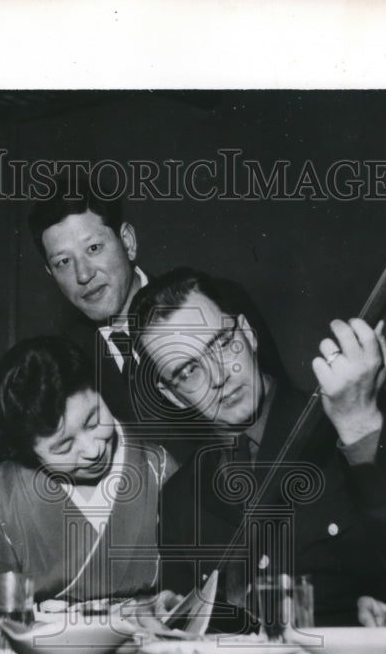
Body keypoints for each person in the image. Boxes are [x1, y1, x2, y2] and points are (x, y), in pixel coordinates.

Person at [130, 268, 386, 627]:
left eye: (221, 343)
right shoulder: (178, 500)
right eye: (189, 371)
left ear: (247, 333)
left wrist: (359, 426)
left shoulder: (359, 418)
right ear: (172, 395)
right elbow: (184, 634)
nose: (219, 376)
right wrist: (164, 620)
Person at [27, 169, 286, 446]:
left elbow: (284, 412)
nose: (83, 274)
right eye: (63, 262)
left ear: (127, 241)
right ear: (50, 273)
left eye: (94, 249)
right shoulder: (64, 365)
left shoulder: (216, 301)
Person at [0, 335, 174, 603]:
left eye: (94, 420)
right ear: (28, 454)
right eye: (63, 447)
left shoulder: (161, 469)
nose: (93, 450)